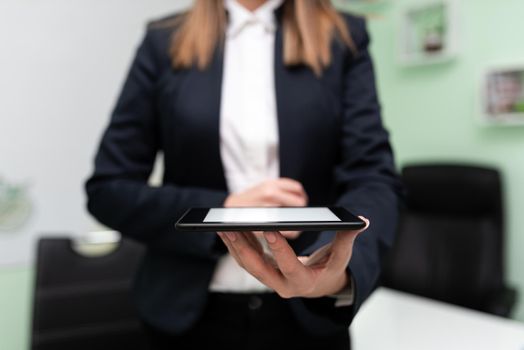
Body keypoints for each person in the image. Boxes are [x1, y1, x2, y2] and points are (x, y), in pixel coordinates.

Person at [85, 0, 402, 349]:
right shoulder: (163, 40)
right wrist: (223, 209)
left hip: (310, 320)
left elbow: (373, 179)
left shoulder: (343, 35)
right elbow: (109, 189)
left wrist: (338, 271)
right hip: (186, 317)